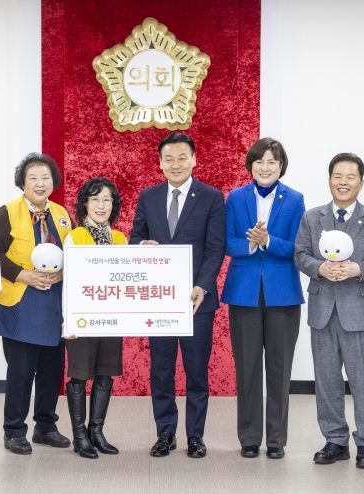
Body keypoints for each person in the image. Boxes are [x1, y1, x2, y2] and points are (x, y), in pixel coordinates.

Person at [130, 133, 225, 459]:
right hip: (160, 300)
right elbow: (135, 239)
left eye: (182, 157)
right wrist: (142, 245)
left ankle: (195, 436)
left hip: (197, 301)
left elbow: (215, 248)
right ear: (160, 163)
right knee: (161, 371)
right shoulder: (149, 197)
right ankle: (165, 434)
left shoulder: (211, 197)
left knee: (197, 372)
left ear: (194, 160)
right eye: (168, 159)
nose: (175, 164)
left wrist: (203, 285)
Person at [295, 152, 364, 469]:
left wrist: (358, 269)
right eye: (338, 176)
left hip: (360, 310)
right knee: (327, 381)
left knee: (363, 381)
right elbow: (300, 255)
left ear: (361, 182)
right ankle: (335, 440)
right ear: (329, 180)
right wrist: (319, 268)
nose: (343, 182)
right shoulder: (312, 217)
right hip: (322, 310)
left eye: (351, 176)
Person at [0, 152, 73, 455]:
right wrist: (24, 275)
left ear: (53, 182)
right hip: (20, 303)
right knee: (21, 371)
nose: (40, 183)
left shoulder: (61, 214)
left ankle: (45, 426)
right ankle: (14, 430)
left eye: (45, 177)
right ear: (22, 182)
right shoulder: (6, 213)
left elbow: (74, 251)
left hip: (54, 305)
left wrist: (64, 272)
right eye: (33, 177)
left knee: (52, 370)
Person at [221, 138, 305, 460]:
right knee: (247, 367)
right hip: (244, 293)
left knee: (280, 368)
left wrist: (268, 240)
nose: (265, 167)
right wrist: (251, 244)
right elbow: (228, 242)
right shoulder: (236, 197)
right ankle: (249, 437)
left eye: (272, 162)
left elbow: (298, 247)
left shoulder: (294, 199)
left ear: (281, 166)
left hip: (282, 294)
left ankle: (276, 440)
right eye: (259, 161)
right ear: (251, 165)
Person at [63, 177, 126, 459]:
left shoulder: (120, 239)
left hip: (111, 317)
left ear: (113, 205)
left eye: (106, 200)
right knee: (79, 375)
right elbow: (68, 282)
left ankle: (96, 432)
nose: (101, 206)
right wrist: (68, 320)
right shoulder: (75, 236)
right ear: (85, 204)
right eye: (95, 199)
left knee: (104, 373)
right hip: (82, 318)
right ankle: (79, 436)